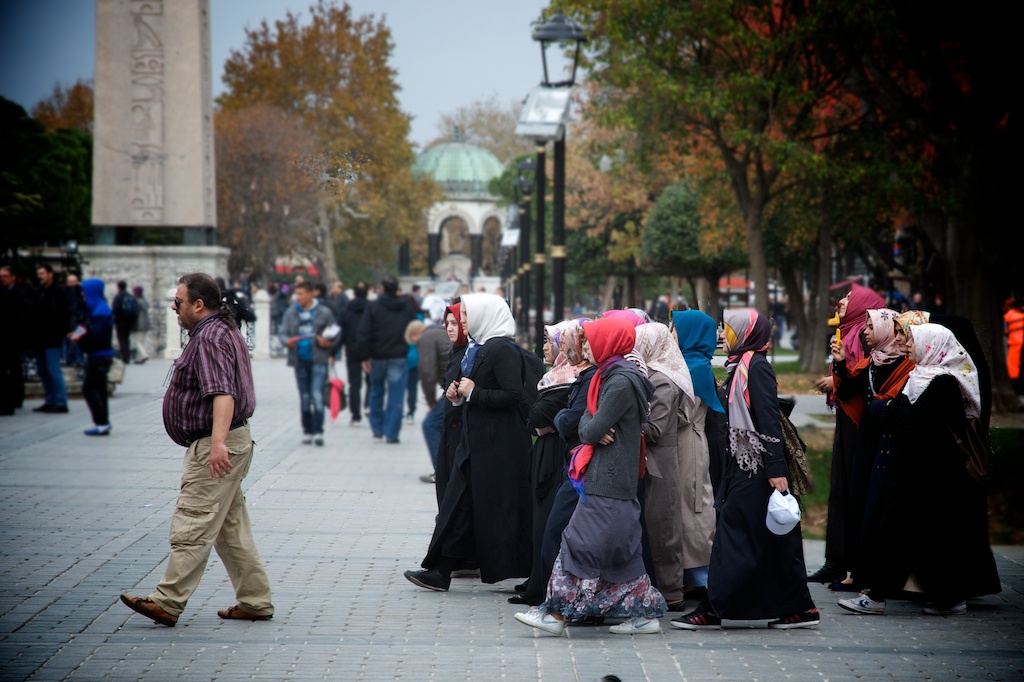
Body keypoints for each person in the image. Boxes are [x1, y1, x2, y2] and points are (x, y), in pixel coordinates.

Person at [120, 272, 273, 626]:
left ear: (198, 304)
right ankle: (255, 600)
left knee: (193, 521)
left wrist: (218, 443)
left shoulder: (209, 337)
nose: (175, 308)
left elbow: (223, 393)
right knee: (229, 528)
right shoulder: (222, 329)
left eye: (179, 302)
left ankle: (168, 600)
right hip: (228, 440)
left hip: (216, 443)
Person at [514, 317, 667, 636]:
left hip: (608, 477)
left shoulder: (619, 380)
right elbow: (588, 425)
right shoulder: (609, 375)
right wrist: (589, 425)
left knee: (576, 541)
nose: (583, 348)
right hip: (610, 476)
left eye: (589, 341)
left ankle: (557, 614)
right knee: (623, 553)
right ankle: (643, 615)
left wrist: (588, 426)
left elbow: (588, 428)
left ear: (608, 342)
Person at [838, 323, 1000, 616]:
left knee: (926, 536)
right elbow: (894, 417)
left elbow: (911, 422)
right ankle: (881, 596)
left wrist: (891, 412)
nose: (906, 345)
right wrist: (893, 413)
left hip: (934, 474)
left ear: (931, 345)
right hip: (908, 468)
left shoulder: (945, 382)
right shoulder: (918, 376)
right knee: (898, 531)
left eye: (912, 340)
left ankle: (945, 597)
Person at [673, 309, 819, 630]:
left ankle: (715, 607)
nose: (722, 336)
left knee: (733, 537)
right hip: (745, 465)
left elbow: (768, 418)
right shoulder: (740, 366)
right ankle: (799, 608)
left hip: (757, 470)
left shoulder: (756, 368)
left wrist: (776, 469)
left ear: (746, 332)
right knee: (772, 541)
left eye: (728, 330)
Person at [404, 293, 531, 591]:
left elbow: (513, 395)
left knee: (469, 505)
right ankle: (441, 570)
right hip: (475, 441)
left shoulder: (502, 349)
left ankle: (444, 570)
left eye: (465, 318)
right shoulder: (483, 347)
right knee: (459, 505)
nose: (461, 324)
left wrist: (474, 393)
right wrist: (459, 398)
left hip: (495, 445)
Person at [828, 308, 912, 592]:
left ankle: (881, 576)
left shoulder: (906, 365)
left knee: (883, 507)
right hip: (868, 443)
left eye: (870, 326)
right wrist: (839, 363)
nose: (865, 331)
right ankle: (859, 570)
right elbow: (850, 390)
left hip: (889, 444)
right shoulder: (871, 362)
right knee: (861, 503)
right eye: (865, 325)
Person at [808, 283, 885, 584]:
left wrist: (836, 381)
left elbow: (863, 379)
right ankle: (836, 560)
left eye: (849, 298)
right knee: (840, 488)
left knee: (854, 489)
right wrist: (836, 376)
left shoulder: (868, 337)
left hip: (861, 423)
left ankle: (852, 563)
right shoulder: (849, 332)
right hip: (847, 419)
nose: (842, 302)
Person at [633, 322, 708, 613]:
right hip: (656, 459)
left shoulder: (662, 379)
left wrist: (625, 422)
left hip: (661, 461)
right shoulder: (652, 372)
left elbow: (657, 428)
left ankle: (670, 591)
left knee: (662, 524)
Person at [509, 321, 577, 607]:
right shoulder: (555, 376)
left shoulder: (570, 378)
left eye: (550, 341)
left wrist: (543, 421)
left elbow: (538, 416)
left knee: (548, 522)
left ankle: (543, 586)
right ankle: (537, 580)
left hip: (556, 454)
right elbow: (535, 418)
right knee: (540, 520)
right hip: (545, 451)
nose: (544, 347)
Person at [357, 276, 417, 443]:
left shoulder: (373, 307)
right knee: (396, 396)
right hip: (398, 356)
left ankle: (377, 427)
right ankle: (392, 432)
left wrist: (364, 356)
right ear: (397, 289)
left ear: (382, 289)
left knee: (376, 391)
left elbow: (363, 333)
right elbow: (414, 329)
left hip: (376, 356)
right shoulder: (405, 307)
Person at [278, 280, 336, 446]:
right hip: (300, 359)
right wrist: (287, 341)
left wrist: (329, 343)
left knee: (317, 396)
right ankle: (307, 431)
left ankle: (318, 431)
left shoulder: (324, 312)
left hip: (318, 359)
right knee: (304, 397)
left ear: (311, 294)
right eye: (296, 294)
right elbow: (282, 333)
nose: (298, 297)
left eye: (301, 294)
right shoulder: (291, 312)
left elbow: (334, 333)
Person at [406, 317, 452, 482]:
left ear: (413, 336)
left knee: (430, 424)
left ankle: (440, 472)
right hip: (456, 386)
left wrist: (432, 403)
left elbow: (427, 373)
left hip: (455, 388)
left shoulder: (425, 338)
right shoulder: (438, 333)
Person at [433, 301, 468, 507]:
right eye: (447, 324)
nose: (450, 328)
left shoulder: (469, 353)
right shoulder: (456, 351)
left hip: (459, 430)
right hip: (450, 427)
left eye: (455, 323)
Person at [74, 278, 116, 436]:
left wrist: (78, 339)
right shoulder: (99, 308)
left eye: (84, 290)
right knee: (99, 388)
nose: (82, 293)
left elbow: (95, 337)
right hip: (102, 355)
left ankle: (101, 422)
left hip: (98, 356)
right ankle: (103, 422)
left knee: (89, 387)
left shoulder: (100, 312)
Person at [31, 263, 71, 413]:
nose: (40, 276)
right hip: (39, 337)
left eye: (42, 273)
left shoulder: (58, 292)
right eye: (39, 273)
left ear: (50, 274)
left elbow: (64, 314)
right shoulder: (39, 291)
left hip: (52, 337)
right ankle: (50, 399)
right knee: (43, 370)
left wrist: (63, 331)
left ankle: (60, 401)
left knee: (53, 370)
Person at [0, 265, 29, 415]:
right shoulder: (3, 292)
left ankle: (15, 399)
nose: (2, 279)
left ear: (13, 277)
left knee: (14, 368)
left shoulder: (20, 293)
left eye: (5, 276)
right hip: (4, 338)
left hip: (14, 338)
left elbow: (22, 318)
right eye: (1, 276)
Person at [340, 281, 370, 425]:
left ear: (354, 293)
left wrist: (333, 352)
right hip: (369, 350)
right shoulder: (371, 308)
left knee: (354, 384)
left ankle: (355, 416)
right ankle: (369, 406)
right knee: (371, 381)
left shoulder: (346, 309)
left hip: (351, 349)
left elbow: (341, 331)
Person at [111, 280, 138, 363]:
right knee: (126, 338)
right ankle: (127, 355)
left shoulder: (118, 297)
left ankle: (125, 357)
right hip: (129, 321)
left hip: (120, 321)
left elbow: (115, 309)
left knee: (121, 339)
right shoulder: (130, 296)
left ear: (118, 287)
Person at [130, 286, 152, 364]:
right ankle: (138, 359)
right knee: (142, 341)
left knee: (137, 341)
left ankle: (144, 355)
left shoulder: (137, 301)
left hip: (138, 324)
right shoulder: (144, 300)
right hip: (145, 323)